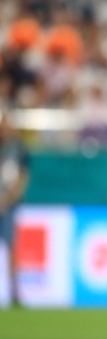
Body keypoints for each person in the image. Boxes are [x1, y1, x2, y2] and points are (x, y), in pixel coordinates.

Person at [0, 111, 29, 307]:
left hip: (8, 205)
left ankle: (14, 292)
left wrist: (7, 200)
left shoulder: (18, 148)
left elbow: (22, 176)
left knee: (12, 247)